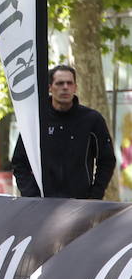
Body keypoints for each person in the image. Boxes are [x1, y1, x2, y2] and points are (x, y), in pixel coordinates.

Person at [10, 64, 115, 199]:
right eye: (59, 83)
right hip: (42, 205)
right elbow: (19, 162)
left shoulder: (92, 120)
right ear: (50, 87)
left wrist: (94, 196)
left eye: (69, 83)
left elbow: (107, 161)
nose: (65, 87)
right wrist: (32, 195)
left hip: (81, 206)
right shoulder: (36, 120)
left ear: (75, 87)